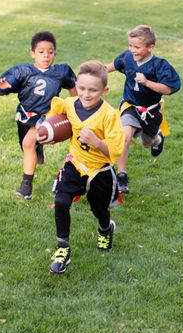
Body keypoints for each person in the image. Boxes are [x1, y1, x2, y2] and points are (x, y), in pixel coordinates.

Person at [45, 61, 124, 274]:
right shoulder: (70, 104)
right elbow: (57, 111)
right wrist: (49, 131)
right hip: (75, 164)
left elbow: (116, 150)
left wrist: (97, 142)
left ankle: (106, 229)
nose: (86, 94)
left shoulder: (109, 115)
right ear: (76, 85)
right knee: (61, 201)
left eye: (93, 90)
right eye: (81, 88)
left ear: (104, 90)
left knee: (98, 209)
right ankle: (63, 249)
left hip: (100, 170)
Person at [0, 31, 77, 199]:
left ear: (55, 53)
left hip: (47, 114)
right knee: (27, 146)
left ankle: (26, 187)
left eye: (50, 52)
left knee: (28, 143)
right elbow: (2, 86)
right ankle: (38, 149)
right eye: (41, 52)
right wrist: (1, 87)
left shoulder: (61, 71)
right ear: (32, 53)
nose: (46, 55)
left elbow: (74, 93)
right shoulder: (23, 71)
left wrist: (78, 108)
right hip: (25, 115)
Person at [106, 25, 181, 193]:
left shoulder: (160, 65)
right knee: (124, 136)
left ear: (150, 47)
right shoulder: (128, 58)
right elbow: (110, 67)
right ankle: (122, 175)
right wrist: (95, 73)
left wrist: (147, 82)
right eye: (130, 45)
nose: (132, 50)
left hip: (151, 111)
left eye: (137, 47)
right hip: (130, 106)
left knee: (147, 142)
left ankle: (158, 139)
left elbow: (168, 89)